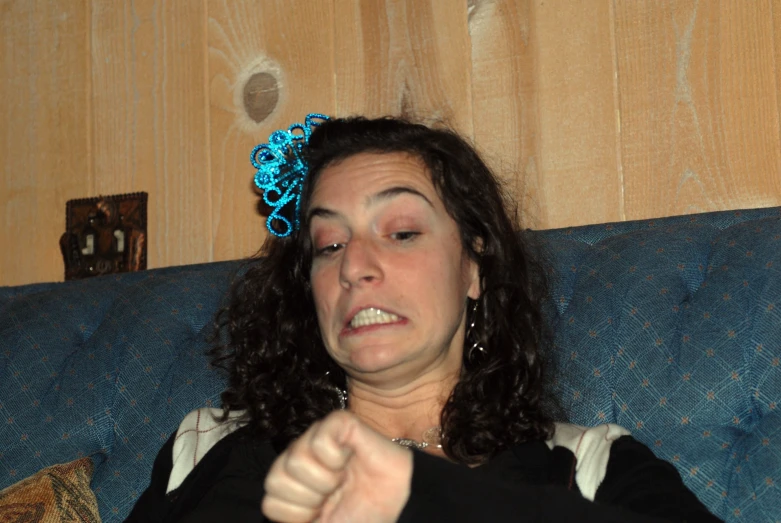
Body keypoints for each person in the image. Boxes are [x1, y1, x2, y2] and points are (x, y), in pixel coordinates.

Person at [126, 115, 721, 522]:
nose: (355, 265)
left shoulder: (587, 469)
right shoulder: (206, 448)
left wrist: (421, 492)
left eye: (403, 233)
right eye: (329, 245)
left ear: (473, 268)